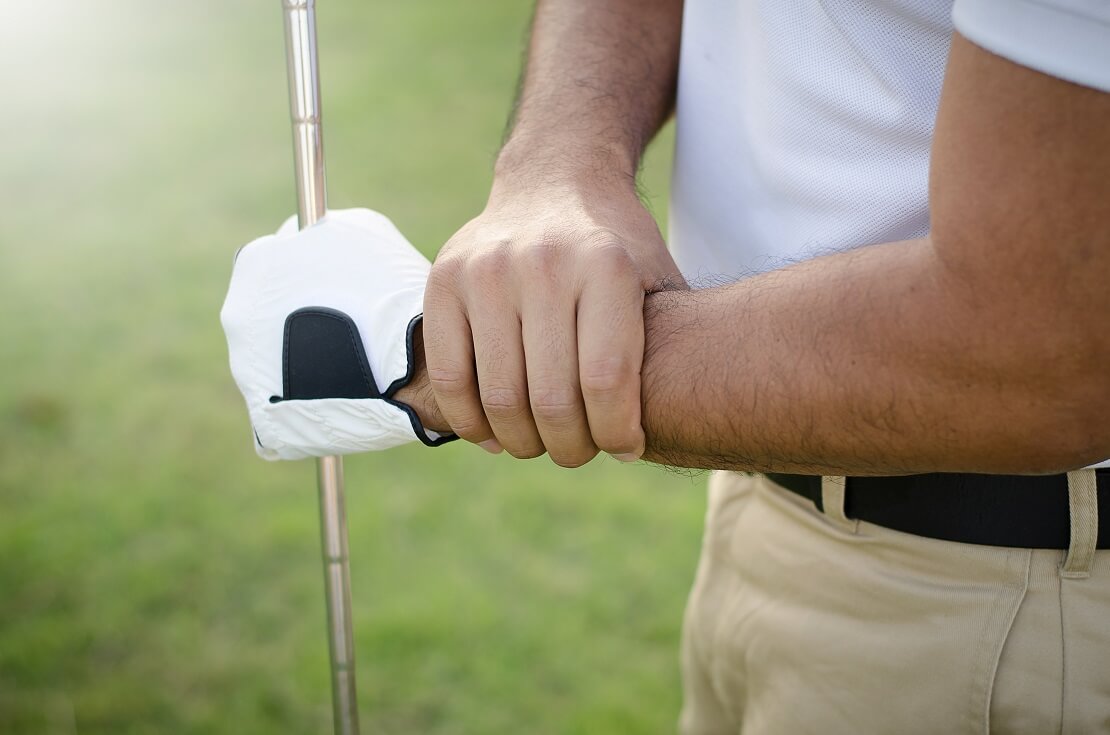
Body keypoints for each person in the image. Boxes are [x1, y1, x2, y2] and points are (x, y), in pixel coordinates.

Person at [222, 0, 1110, 731]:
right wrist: (558, 164)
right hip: (769, 516)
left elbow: (1045, 346)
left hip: (1011, 600)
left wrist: (418, 356)